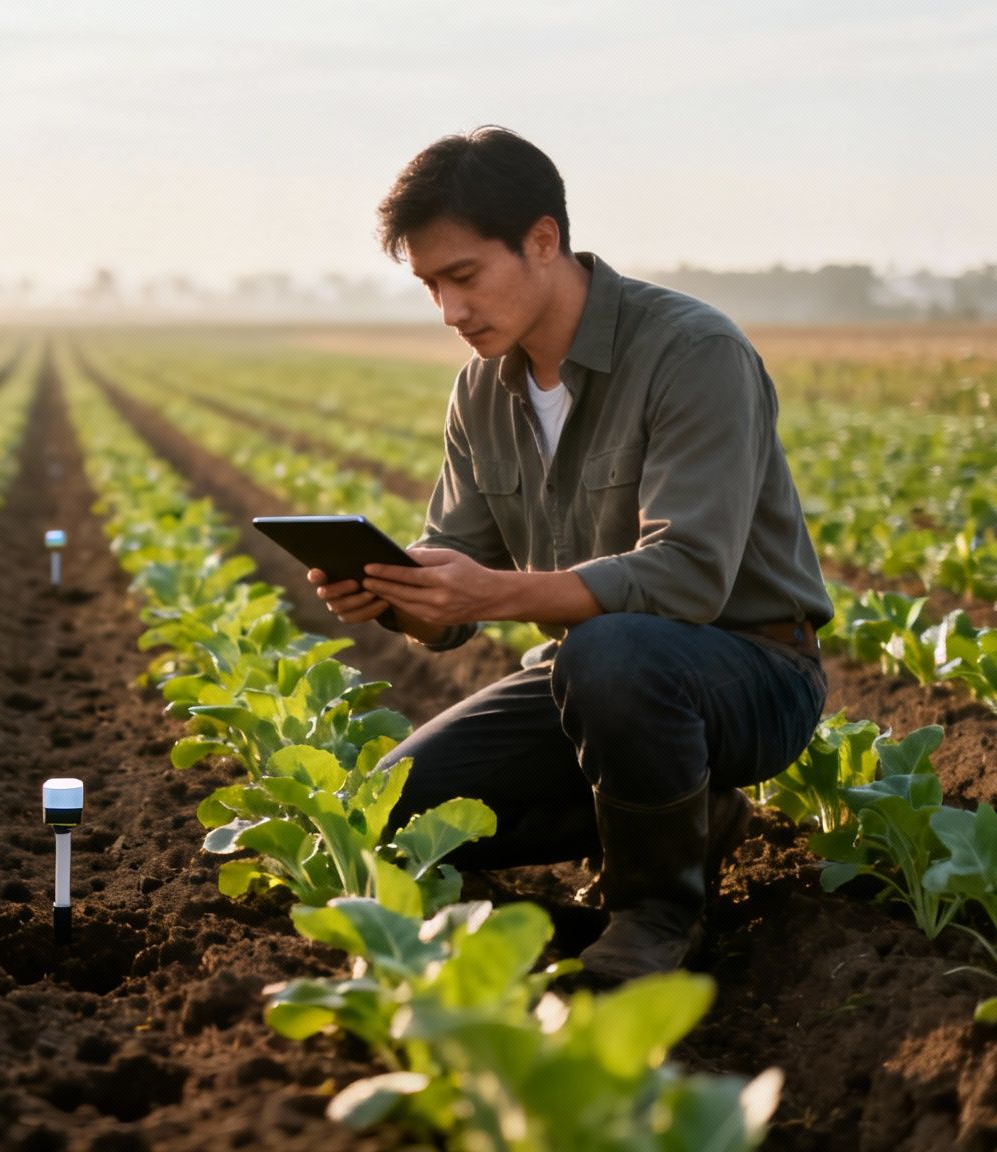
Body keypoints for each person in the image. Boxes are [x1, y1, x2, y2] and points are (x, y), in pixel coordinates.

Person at [308, 126, 831, 983]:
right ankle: (665, 839)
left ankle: (654, 916)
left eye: (464, 276)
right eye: (431, 285)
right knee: (384, 821)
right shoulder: (482, 389)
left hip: (752, 670)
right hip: (590, 686)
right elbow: (456, 567)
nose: (449, 311)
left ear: (543, 240)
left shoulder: (692, 353)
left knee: (612, 648)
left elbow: (688, 577)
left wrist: (490, 595)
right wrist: (398, 593)